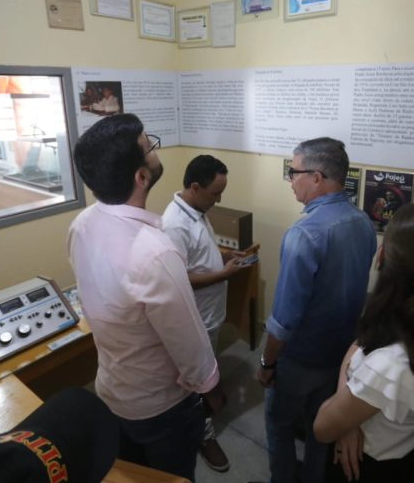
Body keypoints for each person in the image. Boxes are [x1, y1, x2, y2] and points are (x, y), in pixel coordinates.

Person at [67, 113, 222, 481]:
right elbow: (189, 346)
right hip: (162, 406)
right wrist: (212, 390)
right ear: (141, 176)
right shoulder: (155, 252)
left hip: (112, 390)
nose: (154, 148)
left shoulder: (82, 224)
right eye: (148, 145)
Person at [313, 203, 414, 483]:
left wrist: (344, 416)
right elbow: (362, 342)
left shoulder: (391, 365)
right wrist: (350, 418)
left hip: (365, 467)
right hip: (406, 450)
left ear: (382, 258)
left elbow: (323, 428)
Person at [256, 137, 377, 483]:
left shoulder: (304, 234)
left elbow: (284, 320)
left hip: (301, 359)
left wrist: (267, 363)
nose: (290, 180)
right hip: (341, 356)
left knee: (278, 423)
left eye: (294, 172)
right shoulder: (363, 222)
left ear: (317, 177)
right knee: (320, 427)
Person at [162, 154, 247, 473]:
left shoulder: (197, 210)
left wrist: (222, 254)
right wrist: (223, 274)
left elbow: (197, 253)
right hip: (195, 320)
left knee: (206, 368)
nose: (219, 200)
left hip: (210, 315)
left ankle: (209, 402)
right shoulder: (174, 225)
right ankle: (204, 435)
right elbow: (178, 278)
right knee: (194, 381)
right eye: (215, 193)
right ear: (195, 187)